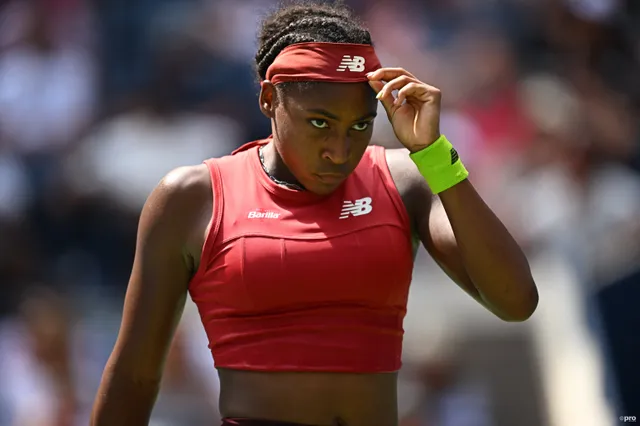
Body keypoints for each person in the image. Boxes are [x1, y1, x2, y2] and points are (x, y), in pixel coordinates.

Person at [90, 2, 538, 426]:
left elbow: (516, 301)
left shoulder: (406, 180)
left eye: (359, 126)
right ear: (269, 99)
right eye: (320, 123)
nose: (340, 151)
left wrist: (435, 153)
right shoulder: (191, 197)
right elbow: (136, 374)